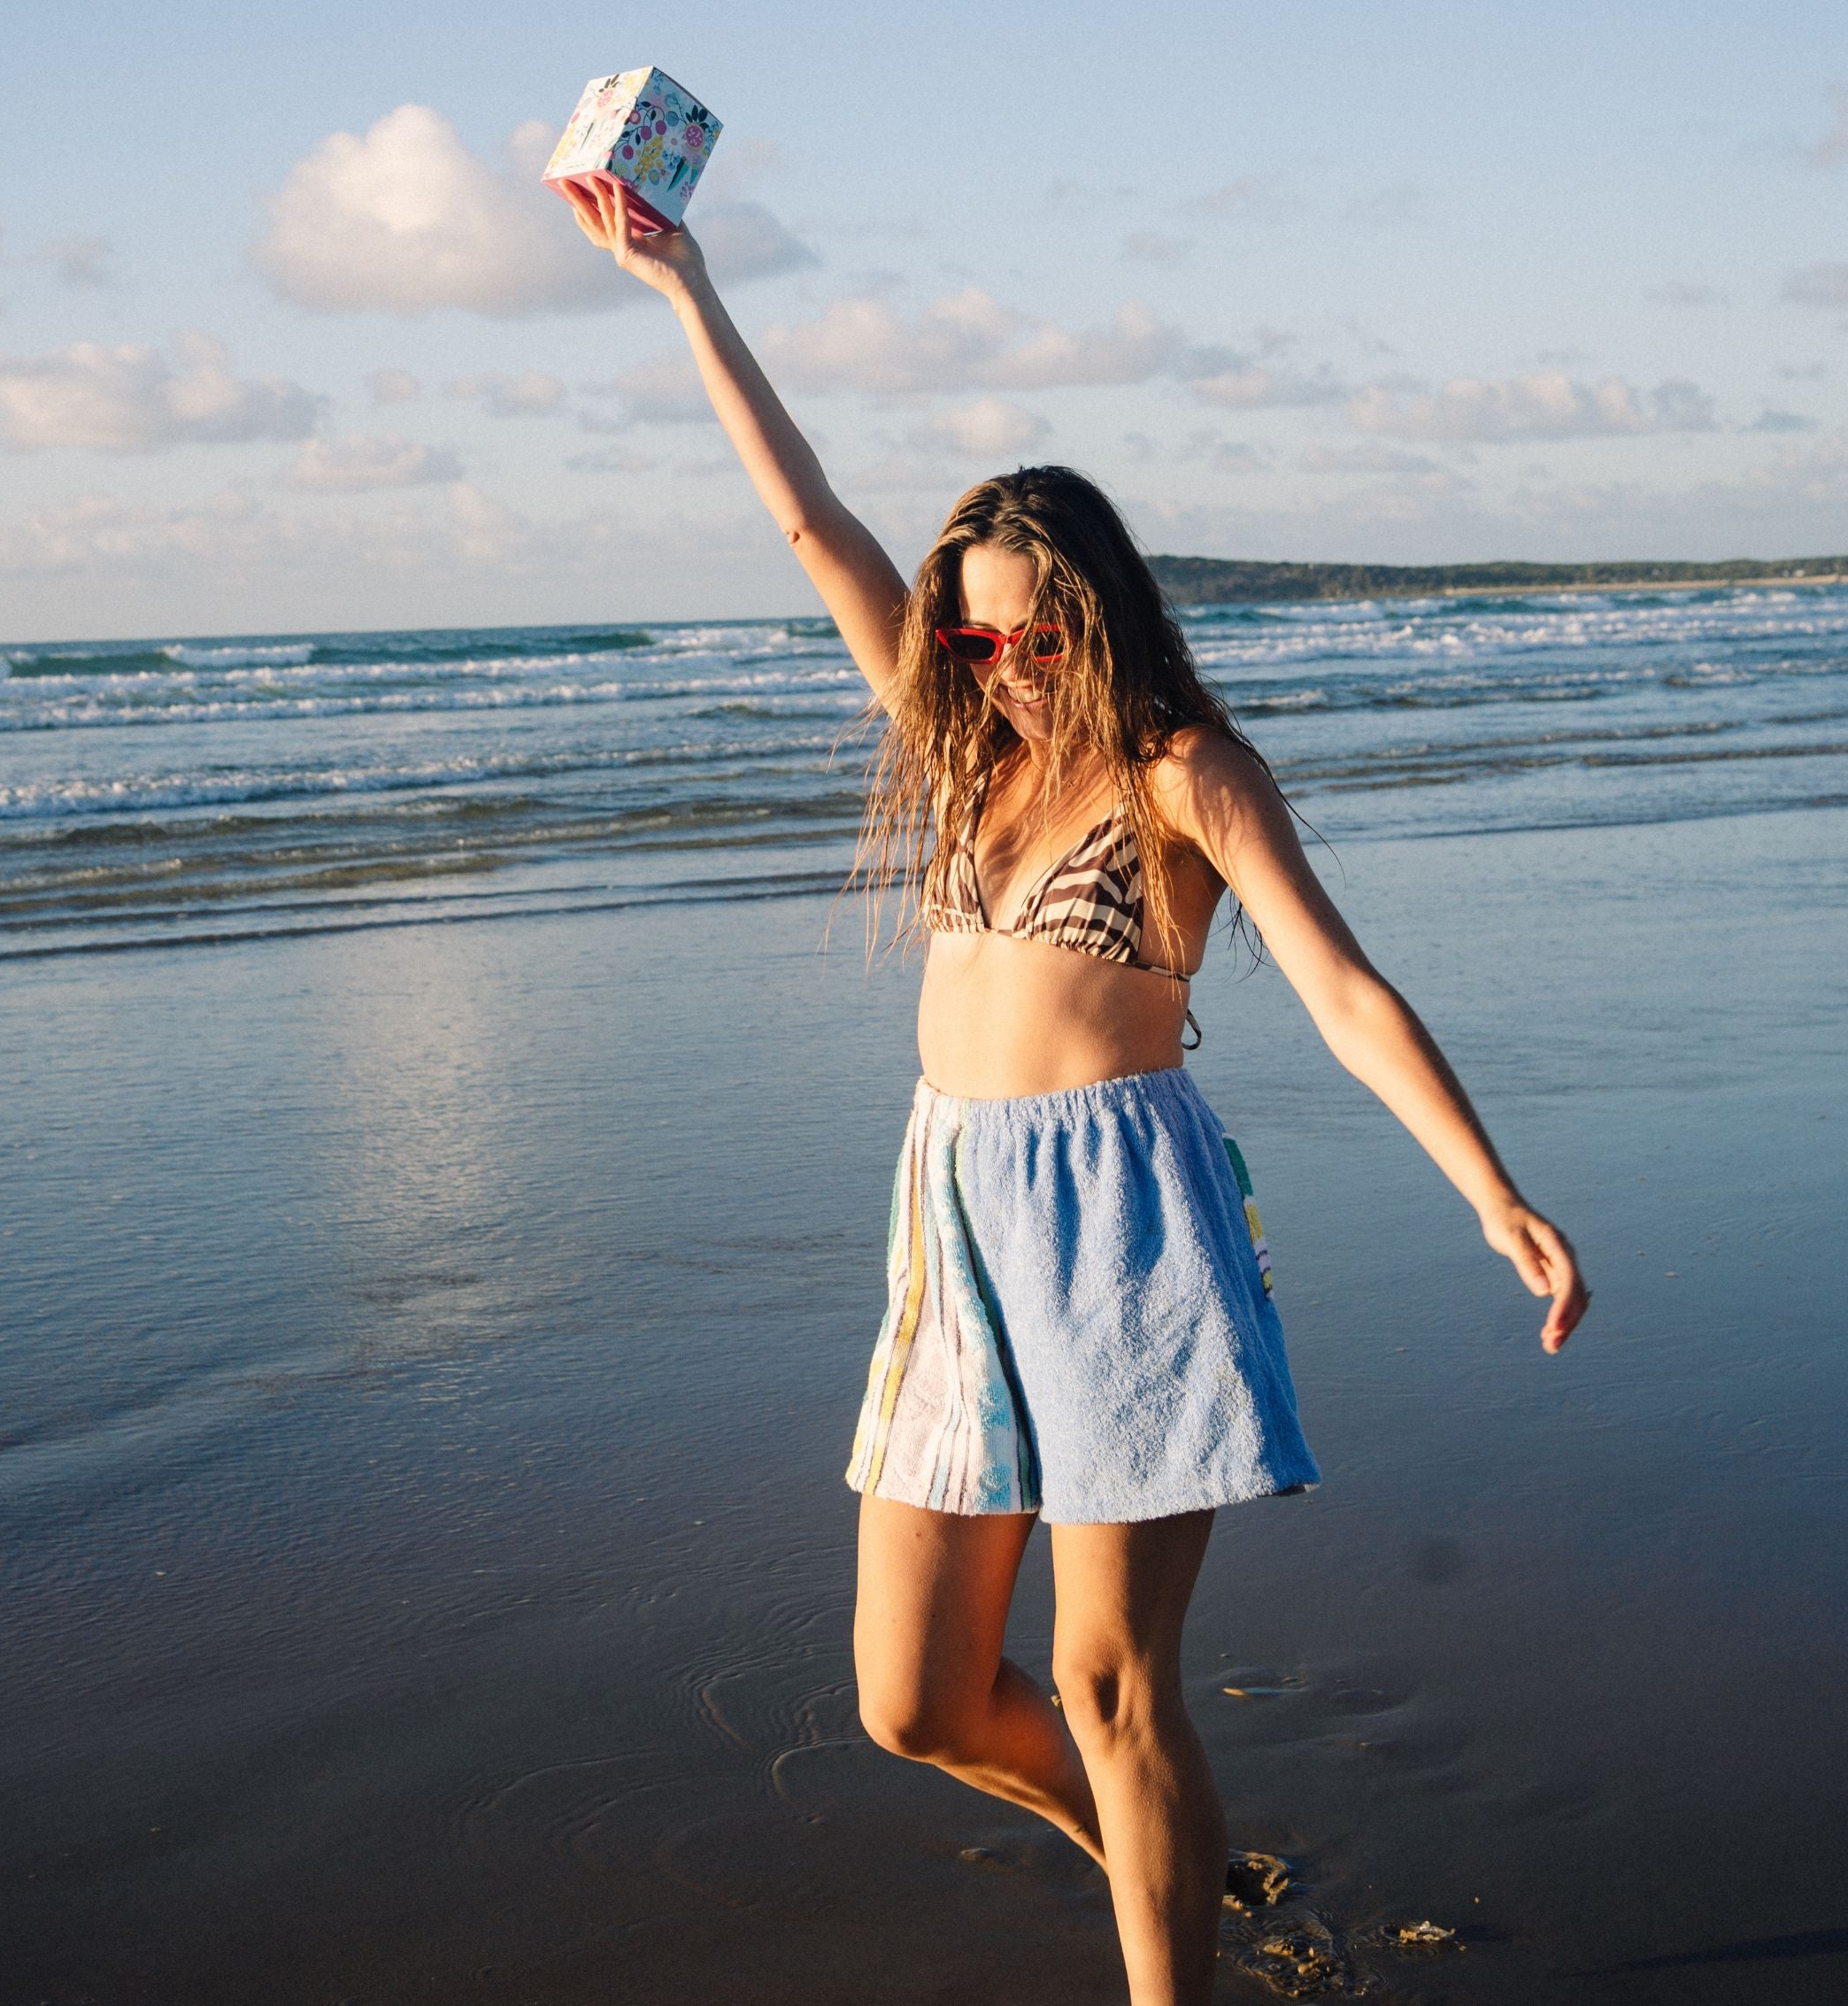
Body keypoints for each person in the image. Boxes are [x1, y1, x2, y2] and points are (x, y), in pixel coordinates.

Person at [563, 175, 1588, 2005]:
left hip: (1123, 1227)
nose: (1001, 665)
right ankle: (1155, 1856)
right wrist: (684, 290)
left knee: (1114, 1681)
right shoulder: (952, 745)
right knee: (912, 1698)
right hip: (949, 1213)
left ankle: (1162, 1954)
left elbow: (1340, 985)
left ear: (1097, 617)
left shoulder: (1189, 772)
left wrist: (1485, 1186)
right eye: (973, 637)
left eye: (1035, 635)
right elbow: (807, 522)